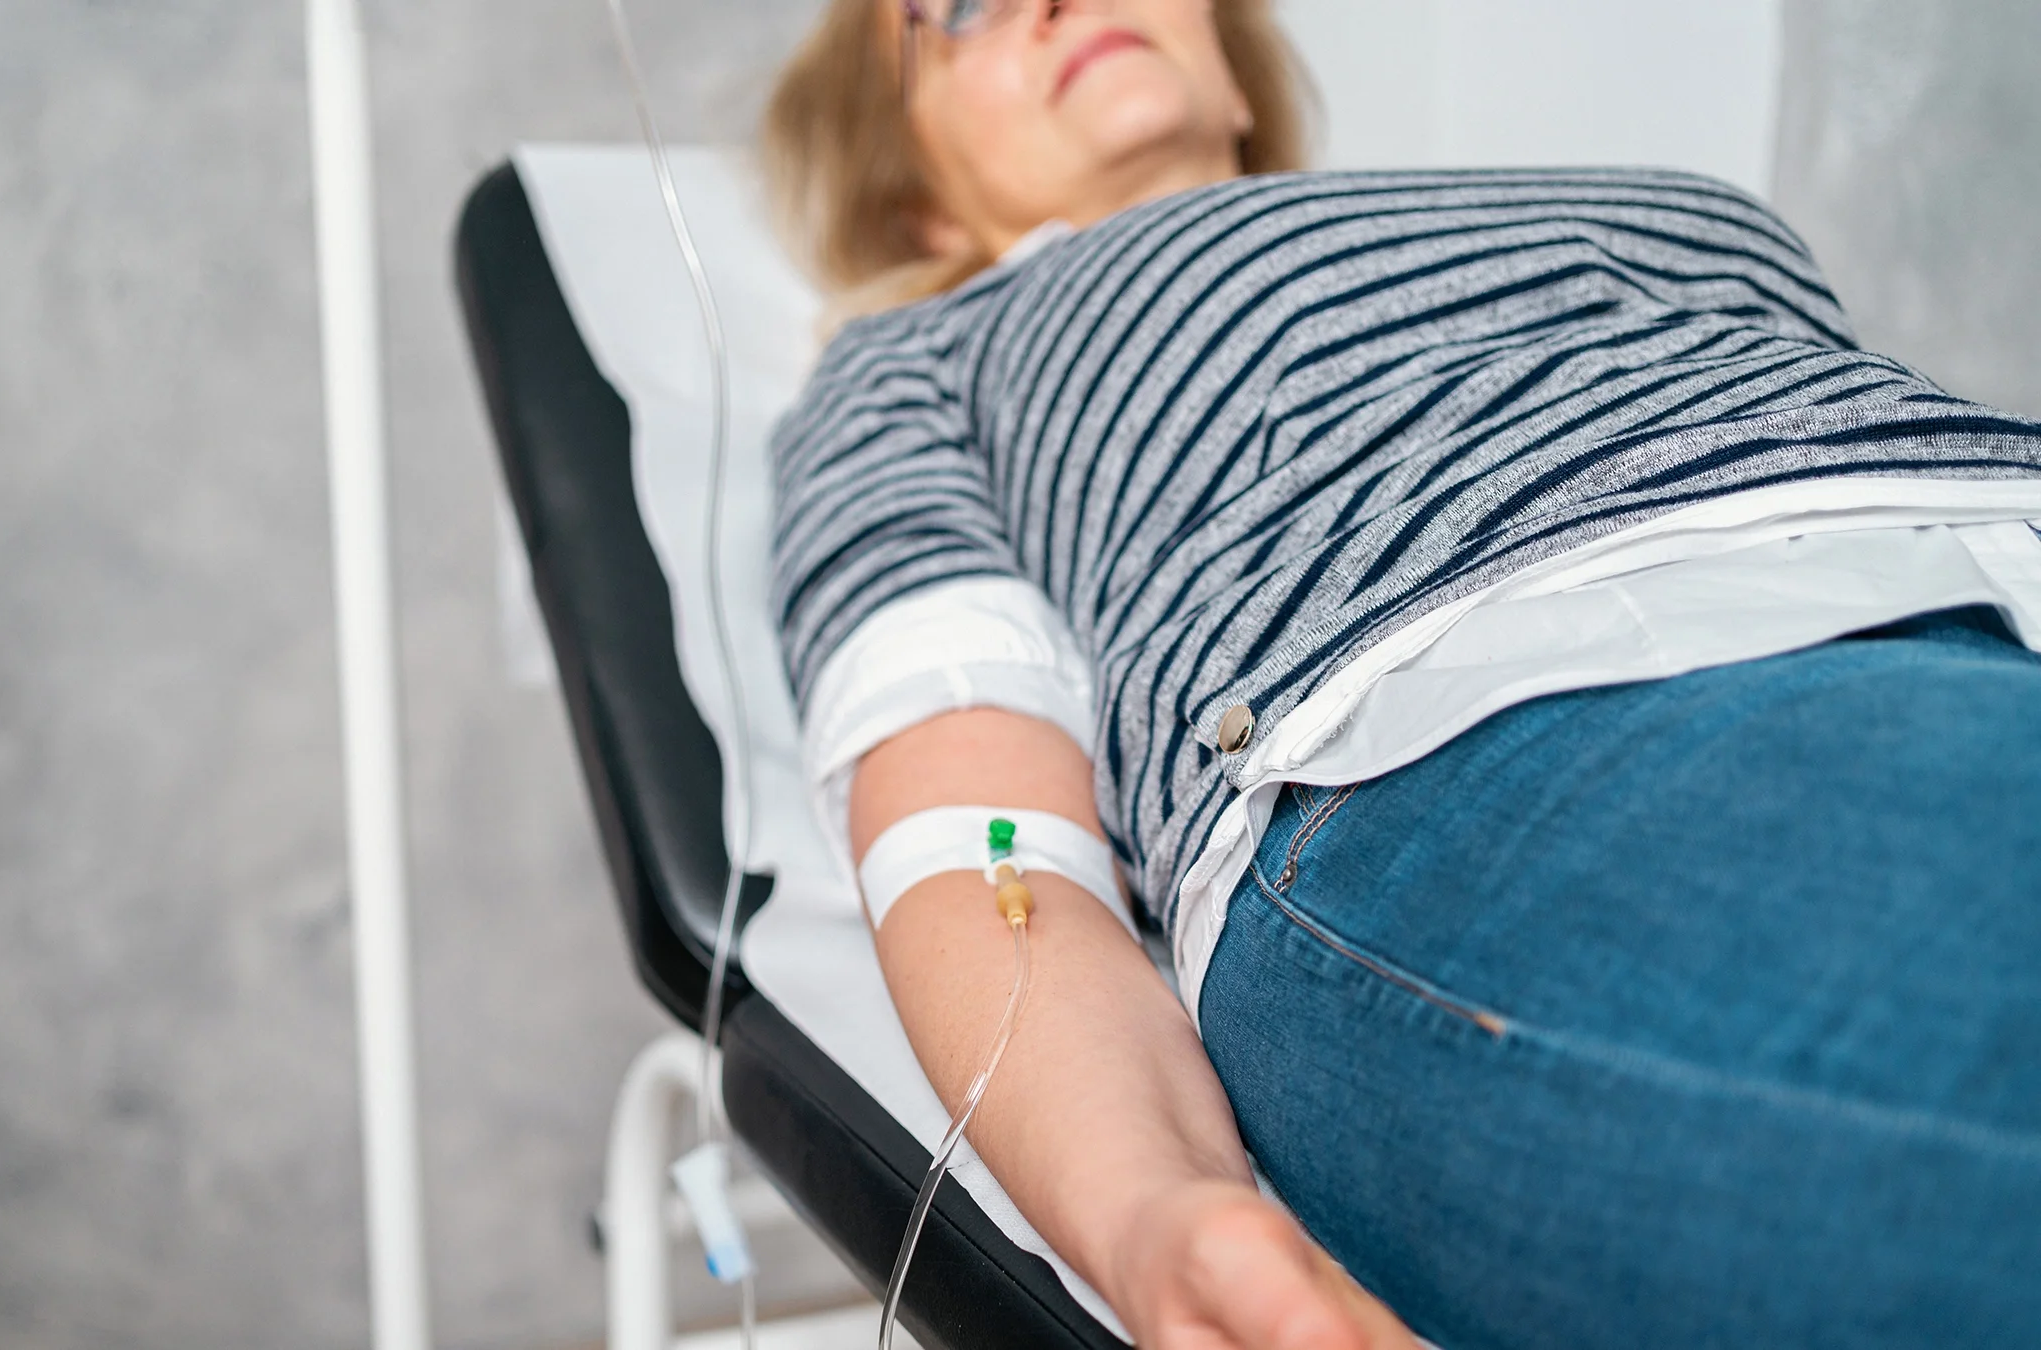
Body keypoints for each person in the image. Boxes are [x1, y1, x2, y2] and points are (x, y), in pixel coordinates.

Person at [757, 2, 2041, 1348]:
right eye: (951, 10)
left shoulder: (1643, 200)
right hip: (1489, 712)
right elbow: (978, 834)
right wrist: (1153, 1212)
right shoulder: (919, 361)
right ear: (916, 207)